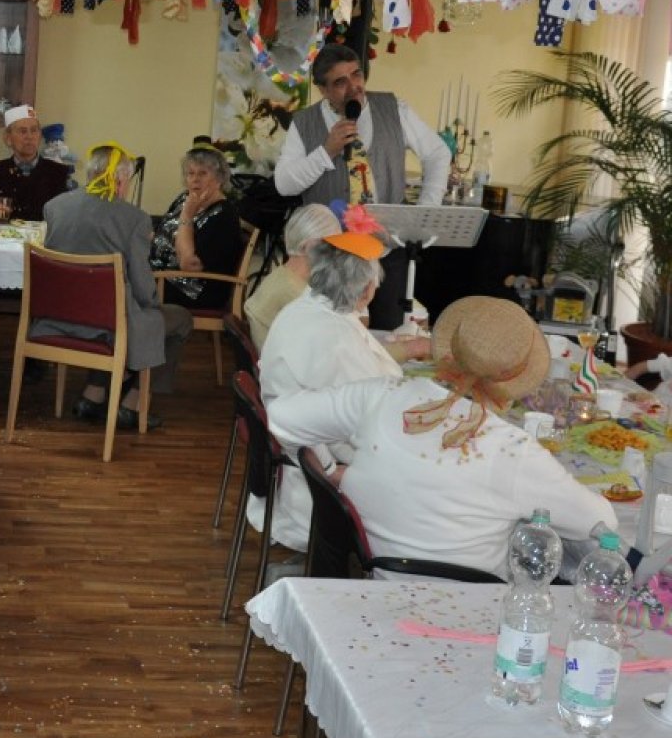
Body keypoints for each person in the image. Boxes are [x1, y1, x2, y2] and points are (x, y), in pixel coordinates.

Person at [259, 296, 615, 580]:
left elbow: (282, 417)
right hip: (467, 610)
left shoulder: (385, 395)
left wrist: (327, 470)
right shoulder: (512, 450)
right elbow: (600, 524)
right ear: (515, 382)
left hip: (371, 582)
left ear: (450, 352)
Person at [256, 230, 432, 553]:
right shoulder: (331, 335)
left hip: (316, 449)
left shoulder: (310, 308)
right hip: (326, 474)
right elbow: (370, 415)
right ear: (365, 290)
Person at [272, 43, 450, 329]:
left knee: (387, 334)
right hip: (329, 254)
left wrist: (425, 210)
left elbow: (438, 153)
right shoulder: (304, 123)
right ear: (323, 89)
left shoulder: (394, 109)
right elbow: (284, 185)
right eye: (340, 82)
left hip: (386, 249)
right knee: (330, 333)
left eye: (357, 75)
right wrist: (325, 152)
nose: (354, 86)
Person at [41, 141, 193, 429]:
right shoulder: (134, 219)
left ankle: (93, 395)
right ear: (120, 180)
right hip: (108, 323)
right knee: (177, 319)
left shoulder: (55, 207)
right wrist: (151, 304)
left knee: (124, 318)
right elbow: (142, 286)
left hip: (58, 317)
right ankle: (132, 404)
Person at [149, 142, 244, 310]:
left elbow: (189, 265)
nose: (195, 179)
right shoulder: (184, 199)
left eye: (203, 173)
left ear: (219, 179)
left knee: (124, 285)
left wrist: (187, 216)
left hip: (192, 290)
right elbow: (162, 234)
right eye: (190, 173)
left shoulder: (224, 216)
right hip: (160, 274)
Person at [244, 204, 341, 350]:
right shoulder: (296, 295)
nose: (336, 253)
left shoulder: (283, 276)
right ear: (306, 246)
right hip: (286, 360)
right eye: (332, 245)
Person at [0, 105, 75, 219]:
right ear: (8, 139)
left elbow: (74, 214)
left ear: (40, 136)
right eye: (23, 131)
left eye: (34, 130)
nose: (29, 137)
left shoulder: (60, 173)